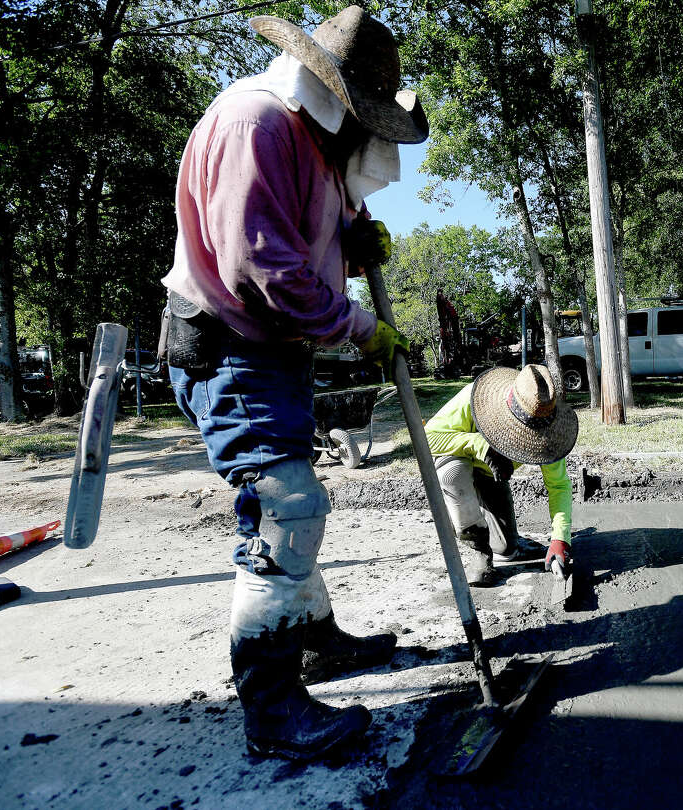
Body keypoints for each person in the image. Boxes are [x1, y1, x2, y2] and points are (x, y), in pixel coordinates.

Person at [161, 8, 427, 762]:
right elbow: (260, 267)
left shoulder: (312, 143)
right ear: (334, 94)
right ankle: (273, 712)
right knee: (288, 507)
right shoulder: (259, 124)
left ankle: (315, 644)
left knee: (299, 502)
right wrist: (361, 327)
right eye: (367, 118)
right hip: (230, 346)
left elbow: (303, 236)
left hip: (273, 351)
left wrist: (349, 235)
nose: (368, 138)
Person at [425, 365, 579, 587]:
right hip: (459, 466)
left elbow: (559, 486)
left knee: (507, 550)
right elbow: (427, 439)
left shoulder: (549, 429)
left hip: (491, 477)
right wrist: (479, 445)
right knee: (452, 472)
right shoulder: (473, 399)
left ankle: (501, 538)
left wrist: (560, 539)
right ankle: (478, 548)